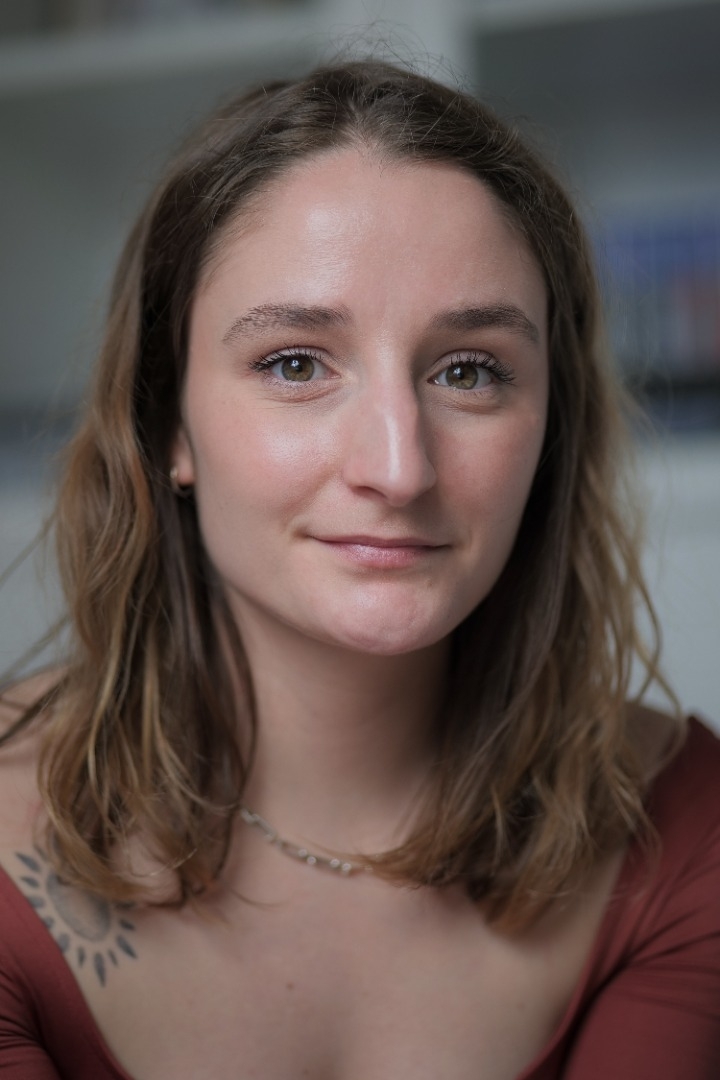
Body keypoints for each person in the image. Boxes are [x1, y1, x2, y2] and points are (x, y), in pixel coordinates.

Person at [0, 58, 718, 1080]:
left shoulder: (685, 822)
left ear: (549, 428)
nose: (398, 466)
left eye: (469, 371)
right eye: (296, 363)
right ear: (167, 422)